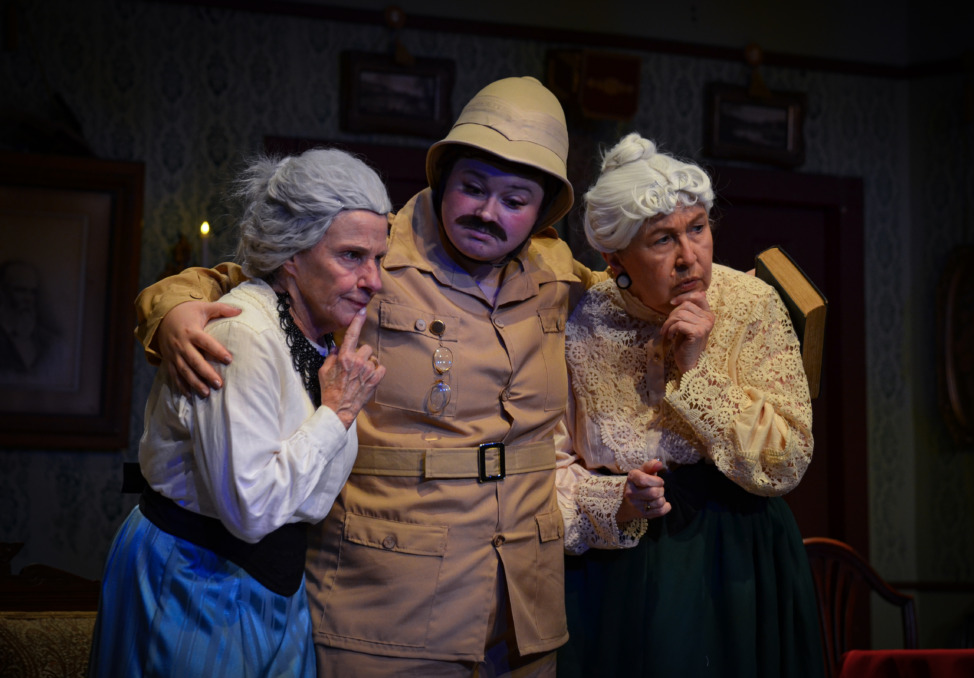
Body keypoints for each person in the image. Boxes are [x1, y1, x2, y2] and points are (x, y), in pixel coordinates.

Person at [132, 76, 603, 677]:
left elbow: (637, 298)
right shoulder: (371, 250)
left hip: (522, 605)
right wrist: (169, 312)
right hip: (391, 598)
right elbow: (242, 284)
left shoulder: (557, 273)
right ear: (443, 179)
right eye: (473, 188)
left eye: (515, 201)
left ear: (541, 212)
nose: (488, 212)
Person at [88, 148, 390, 677]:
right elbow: (249, 511)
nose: (374, 280)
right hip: (193, 583)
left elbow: (311, 499)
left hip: (273, 587)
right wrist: (336, 412)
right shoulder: (241, 334)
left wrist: (335, 413)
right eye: (351, 256)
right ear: (291, 255)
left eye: (378, 259)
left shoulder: (322, 340)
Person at [554, 133, 825, 678]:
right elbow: (550, 465)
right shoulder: (583, 321)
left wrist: (698, 372)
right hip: (620, 569)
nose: (689, 257)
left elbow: (787, 461)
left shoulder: (751, 304)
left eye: (697, 229)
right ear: (614, 260)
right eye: (661, 241)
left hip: (739, 559)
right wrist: (616, 500)